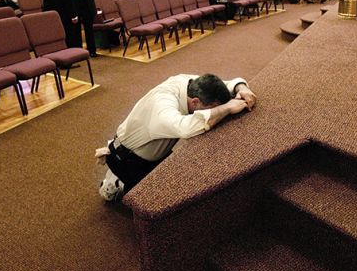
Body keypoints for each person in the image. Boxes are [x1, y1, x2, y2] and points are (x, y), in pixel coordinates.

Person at [97, 73, 256, 202]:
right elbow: (186, 128)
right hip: (128, 160)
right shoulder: (163, 105)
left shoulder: (190, 83)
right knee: (156, 202)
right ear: (195, 102)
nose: (218, 110)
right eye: (214, 107)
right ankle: (115, 180)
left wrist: (241, 87)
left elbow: (228, 84)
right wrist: (227, 108)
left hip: (154, 153)